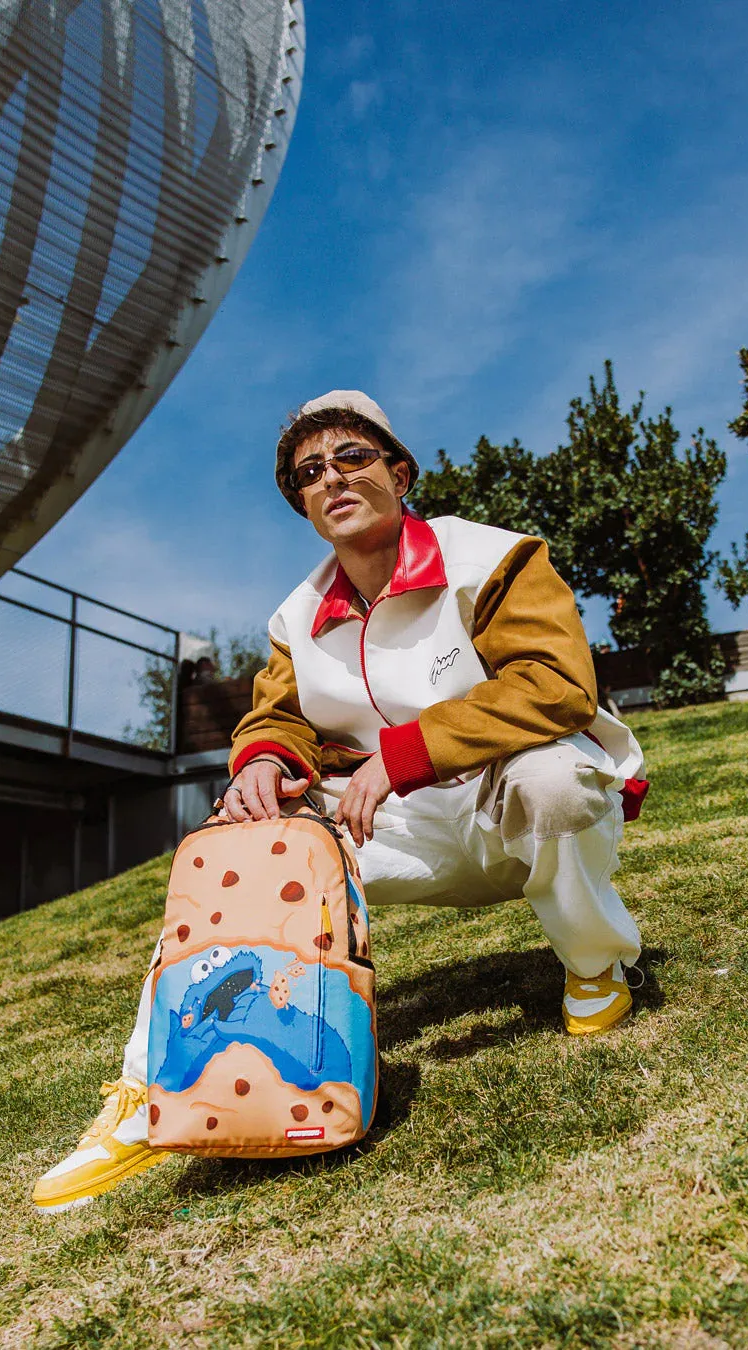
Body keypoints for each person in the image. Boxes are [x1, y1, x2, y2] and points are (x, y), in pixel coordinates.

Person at [32, 390, 648, 1213]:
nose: (332, 478)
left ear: (400, 472)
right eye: (309, 473)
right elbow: (276, 715)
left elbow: (555, 685)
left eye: (353, 457)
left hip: (506, 802)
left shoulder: (493, 559)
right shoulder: (295, 615)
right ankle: (154, 1093)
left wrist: (403, 754)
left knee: (554, 778)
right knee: (237, 847)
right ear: (303, 503)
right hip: (391, 829)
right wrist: (259, 760)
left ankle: (594, 966)